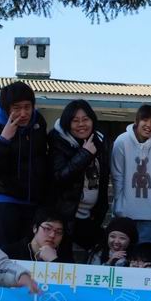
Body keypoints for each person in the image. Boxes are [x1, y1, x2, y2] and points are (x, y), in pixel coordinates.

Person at [0, 81, 48, 255]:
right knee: (3, 256)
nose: (23, 113)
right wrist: (3, 140)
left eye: (27, 107)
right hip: (4, 202)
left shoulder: (38, 123)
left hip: (33, 203)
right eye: (16, 108)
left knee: (30, 255)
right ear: (7, 108)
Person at [48, 100, 110, 262]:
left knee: (105, 249)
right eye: (75, 121)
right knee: (63, 262)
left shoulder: (99, 140)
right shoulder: (57, 141)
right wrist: (84, 154)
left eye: (85, 119)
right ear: (67, 123)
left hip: (89, 216)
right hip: (64, 216)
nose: (81, 124)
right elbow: (59, 177)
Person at [111, 105, 151, 243]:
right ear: (137, 121)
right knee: (122, 251)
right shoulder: (122, 141)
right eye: (145, 120)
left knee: (143, 252)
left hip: (150, 215)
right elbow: (117, 176)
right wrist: (119, 205)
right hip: (124, 213)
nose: (149, 125)